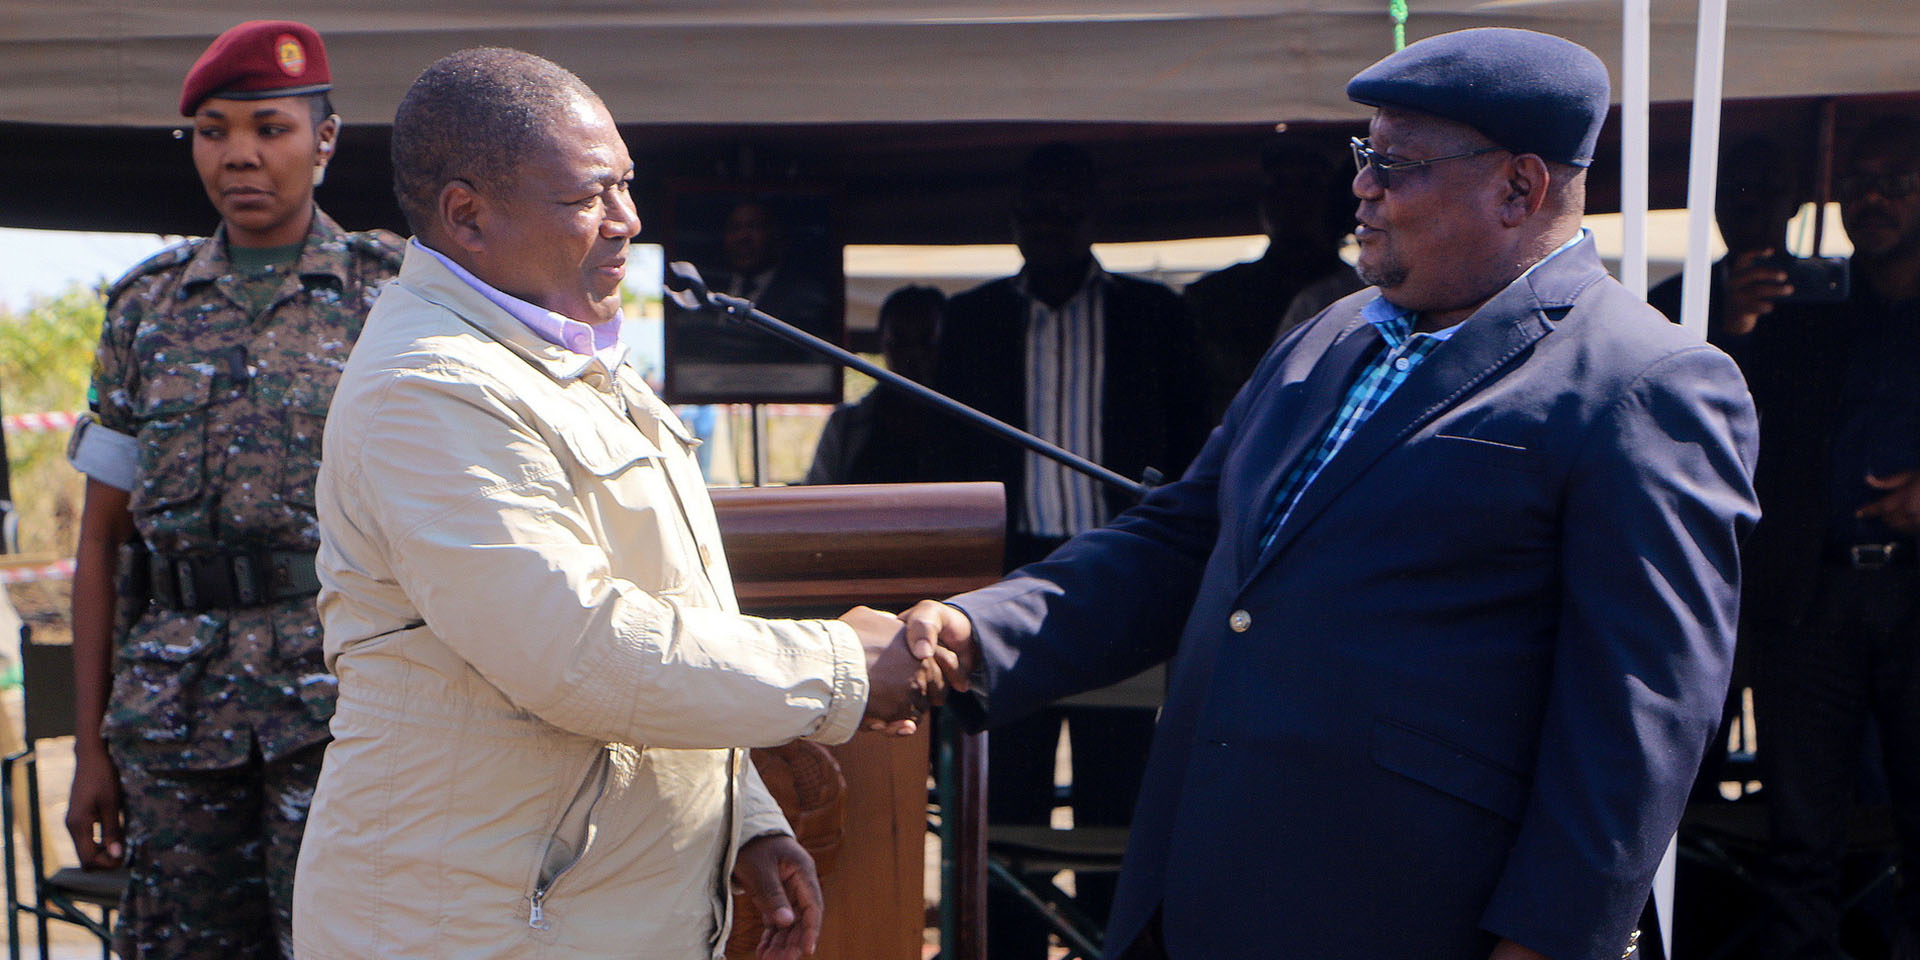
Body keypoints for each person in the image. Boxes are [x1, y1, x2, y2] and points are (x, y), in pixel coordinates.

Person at [896, 28, 1761, 960]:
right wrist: (979, 632)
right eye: (1364, 157)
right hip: (1198, 896)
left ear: (1520, 188)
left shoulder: (1646, 380)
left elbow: (1640, 722)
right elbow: (1185, 541)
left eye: (1396, 165)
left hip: (1408, 915)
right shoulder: (1332, 333)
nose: (1362, 187)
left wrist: (1547, 942)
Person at [291, 48, 935, 960]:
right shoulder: (430, 388)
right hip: (473, 927)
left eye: (626, 187)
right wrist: (843, 668)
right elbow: (577, 651)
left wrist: (740, 820)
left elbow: (672, 615)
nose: (626, 222)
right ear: (467, 215)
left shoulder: (563, 361)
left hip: (587, 910)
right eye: (588, 198)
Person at [58, 20, 401, 958]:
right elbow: (101, 542)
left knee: (345, 942)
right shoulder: (147, 306)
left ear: (324, 141)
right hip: (174, 719)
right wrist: (91, 750)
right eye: (213, 130)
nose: (240, 155)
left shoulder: (393, 297)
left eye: (269, 127)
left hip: (342, 711)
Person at [929, 141, 1205, 960]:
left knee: (1118, 795)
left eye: (1065, 211)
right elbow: (943, 456)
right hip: (1006, 580)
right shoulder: (974, 319)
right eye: (1034, 213)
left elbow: (1194, 447)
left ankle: (1108, 945)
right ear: (1014, 222)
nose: (1048, 227)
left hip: (1123, 580)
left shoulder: (1152, 315)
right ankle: (1004, 949)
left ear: (1094, 218)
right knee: (999, 799)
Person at [1710, 117, 1920, 960]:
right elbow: (1710, 418)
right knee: (1800, 841)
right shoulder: (1802, 306)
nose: (1872, 198)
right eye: (1859, 182)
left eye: (1897, 181)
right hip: (1811, 599)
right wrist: (1723, 327)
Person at [1183, 133, 1364, 424]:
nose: (1292, 199)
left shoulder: (1366, 296)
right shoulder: (1212, 297)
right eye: (1278, 184)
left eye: (1309, 185)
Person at [1647, 133, 1809, 334]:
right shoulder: (1665, 305)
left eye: (1766, 186)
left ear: (1795, 202)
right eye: (1732, 189)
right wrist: (1731, 327)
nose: (1747, 200)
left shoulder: (1826, 297)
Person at [804, 284, 944, 484]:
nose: (912, 356)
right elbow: (817, 498)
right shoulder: (844, 426)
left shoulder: (969, 422)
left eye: (925, 343)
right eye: (899, 343)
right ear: (882, 343)